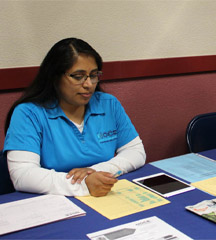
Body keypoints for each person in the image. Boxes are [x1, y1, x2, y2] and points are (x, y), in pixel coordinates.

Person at [2, 38, 146, 197]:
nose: (89, 84)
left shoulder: (108, 104)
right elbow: (23, 175)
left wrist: (97, 172)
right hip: (52, 202)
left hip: (102, 195)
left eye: (94, 75)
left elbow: (135, 151)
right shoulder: (28, 113)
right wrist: (84, 185)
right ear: (54, 77)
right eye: (78, 76)